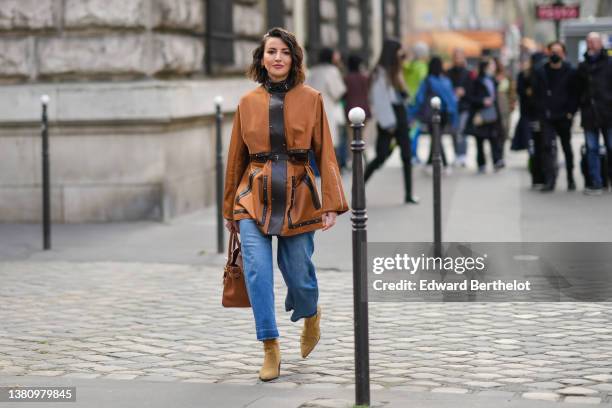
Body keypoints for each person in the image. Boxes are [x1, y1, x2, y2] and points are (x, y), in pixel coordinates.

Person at [223, 27, 349, 382]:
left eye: (284, 52)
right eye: (270, 52)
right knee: (258, 273)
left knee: (300, 276)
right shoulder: (247, 103)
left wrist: (331, 203)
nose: (277, 57)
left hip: (300, 197)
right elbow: (236, 159)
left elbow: (326, 153)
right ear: (261, 60)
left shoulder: (312, 98)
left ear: (294, 58)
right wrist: (229, 210)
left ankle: (310, 312)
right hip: (252, 197)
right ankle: (270, 347)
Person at [365, 38, 419, 204]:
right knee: (381, 156)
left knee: (407, 156)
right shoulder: (380, 73)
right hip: (389, 117)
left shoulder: (395, 71)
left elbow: (405, 95)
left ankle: (409, 194)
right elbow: (380, 100)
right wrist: (388, 124)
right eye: (399, 51)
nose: (401, 54)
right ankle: (358, 186)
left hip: (400, 115)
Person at [533, 41, 578, 192]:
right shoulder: (541, 71)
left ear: (563, 54)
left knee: (566, 147)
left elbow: (574, 94)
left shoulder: (570, 71)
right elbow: (536, 94)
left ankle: (570, 178)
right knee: (547, 147)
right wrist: (541, 111)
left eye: (558, 52)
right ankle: (550, 180)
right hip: (547, 116)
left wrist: (571, 112)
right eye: (552, 51)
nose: (555, 55)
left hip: (564, 116)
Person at [576, 32, 612, 195]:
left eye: (594, 42)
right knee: (592, 149)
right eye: (589, 42)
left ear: (601, 44)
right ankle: (596, 183)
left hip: (608, 113)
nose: (591, 45)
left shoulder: (609, 64)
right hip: (590, 114)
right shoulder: (583, 66)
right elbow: (576, 90)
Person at [409, 55, 458, 171]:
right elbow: (452, 100)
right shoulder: (446, 81)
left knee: (436, 137)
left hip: (432, 114)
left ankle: (443, 164)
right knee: (436, 137)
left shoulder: (427, 81)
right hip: (445, 114)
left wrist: (412, 113)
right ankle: (430, 163)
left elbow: (419, 99)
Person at [307, 47, 347, 170]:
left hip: (311, 108)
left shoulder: (313, 71)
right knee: (330, 140)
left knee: (314, 139)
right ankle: (330, 168)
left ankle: (314, 168)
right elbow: (338, 91)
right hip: (328, 108)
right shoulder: (332, 71)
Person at [469, 58, 504, 173]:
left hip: (493, 114)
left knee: (494, 138)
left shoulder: (493, 80)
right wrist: (482, 101)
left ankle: (497, 160)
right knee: (480, 140)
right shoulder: (477, 81)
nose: (493, 67)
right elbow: (471, 98)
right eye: (491, 65)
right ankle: (481, 163)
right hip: (481, 115)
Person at [403, 42, 430, 164]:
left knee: (409, 129)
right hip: (417, 102)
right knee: (415, 130)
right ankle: (413, 155)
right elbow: (423, 84)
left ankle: (409, 154)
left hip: (407, 101)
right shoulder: (423, 67)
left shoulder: (407, 66)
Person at [446, 48, 473, 167]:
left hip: (464, 106)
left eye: (459, 56)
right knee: (453, 131)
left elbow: (472, 89)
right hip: (452, 107)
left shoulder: (468, 72)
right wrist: (453, 92)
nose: (457, 59)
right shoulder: (448, 72)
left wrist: (464, 92)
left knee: (461, 131)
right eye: (455, 56)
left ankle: (462, 155)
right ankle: (457, 154)